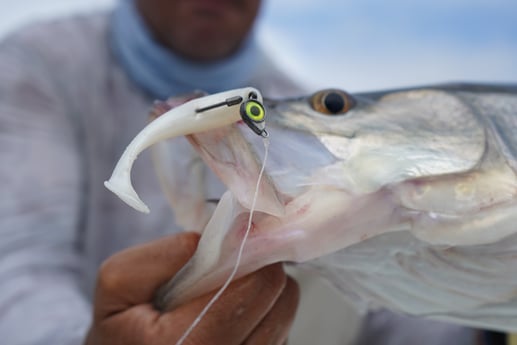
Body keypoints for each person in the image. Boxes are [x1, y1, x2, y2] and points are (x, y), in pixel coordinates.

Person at [0, 0, 480, 344]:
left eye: (331, 108)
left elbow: (394, 307)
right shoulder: (35, 64)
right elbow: (17, 265)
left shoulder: (310, 117)